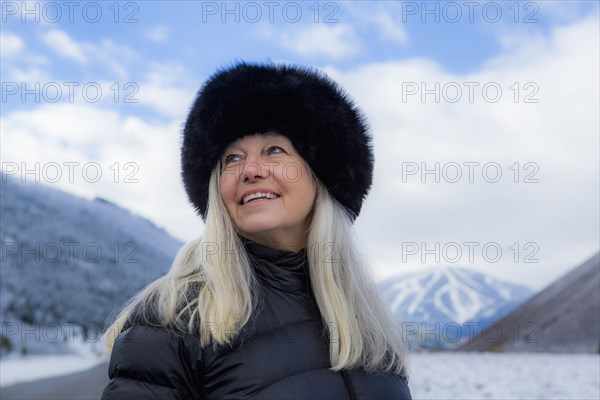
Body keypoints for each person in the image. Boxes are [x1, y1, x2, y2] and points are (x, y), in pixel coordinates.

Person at [101, 62, 412, 399]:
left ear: (321, 174)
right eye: (231, 159)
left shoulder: (370, 324)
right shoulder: (173, 321)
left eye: (274, 150)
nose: (249, 170)